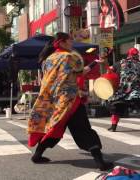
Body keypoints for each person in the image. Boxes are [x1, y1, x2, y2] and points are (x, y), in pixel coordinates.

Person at [27, 32, 114, 171]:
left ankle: (37, 155)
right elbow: (82, 72)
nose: (72, 43)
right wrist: (95, 62)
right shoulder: (70, 57)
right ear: (61, 42)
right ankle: (100, 162)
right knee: (84, 129)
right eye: (69, 41)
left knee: (55, 128)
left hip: (53, 101)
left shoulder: (47, 59)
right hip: (70, 100)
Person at [107, 47, 140, 132]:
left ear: (128, 54)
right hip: (136, 92)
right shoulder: (139, 64)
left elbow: (109, 71)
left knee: (116, 108)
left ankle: (113, 127)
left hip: (122, 91)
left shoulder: (120, 63)